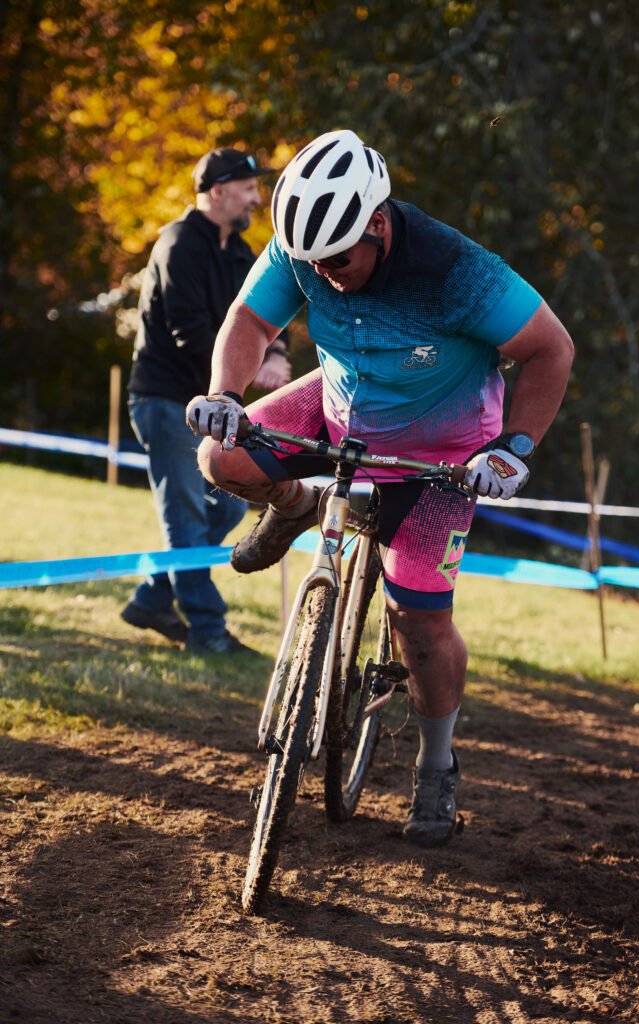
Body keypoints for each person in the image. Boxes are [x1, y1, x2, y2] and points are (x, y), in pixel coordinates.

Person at [185, 129, 574, 840]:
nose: (324, 273)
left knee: (418, 623)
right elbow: (250, 318)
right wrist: (225, 393)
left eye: (338, 259)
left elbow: (550, 349)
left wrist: (514, 449)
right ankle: (297, 508)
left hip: (442, 456)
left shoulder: (458, 272)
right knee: (222, 458)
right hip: (341, 410)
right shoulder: (305, 248)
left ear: (377, 222)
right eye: (311, 262)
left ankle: (436, 764)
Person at [122, 146, 292, 654]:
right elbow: (190, 332)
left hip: (214, 408)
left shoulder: (240, 253)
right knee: (187, 518)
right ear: (217, 191)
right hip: (165, 400)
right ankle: (208, 630)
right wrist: (251, 367)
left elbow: (268, 312)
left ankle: (152, 599)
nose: (257, 200)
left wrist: (276, 351)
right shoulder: (178, 244)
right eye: (248, 189)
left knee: (225, 509)